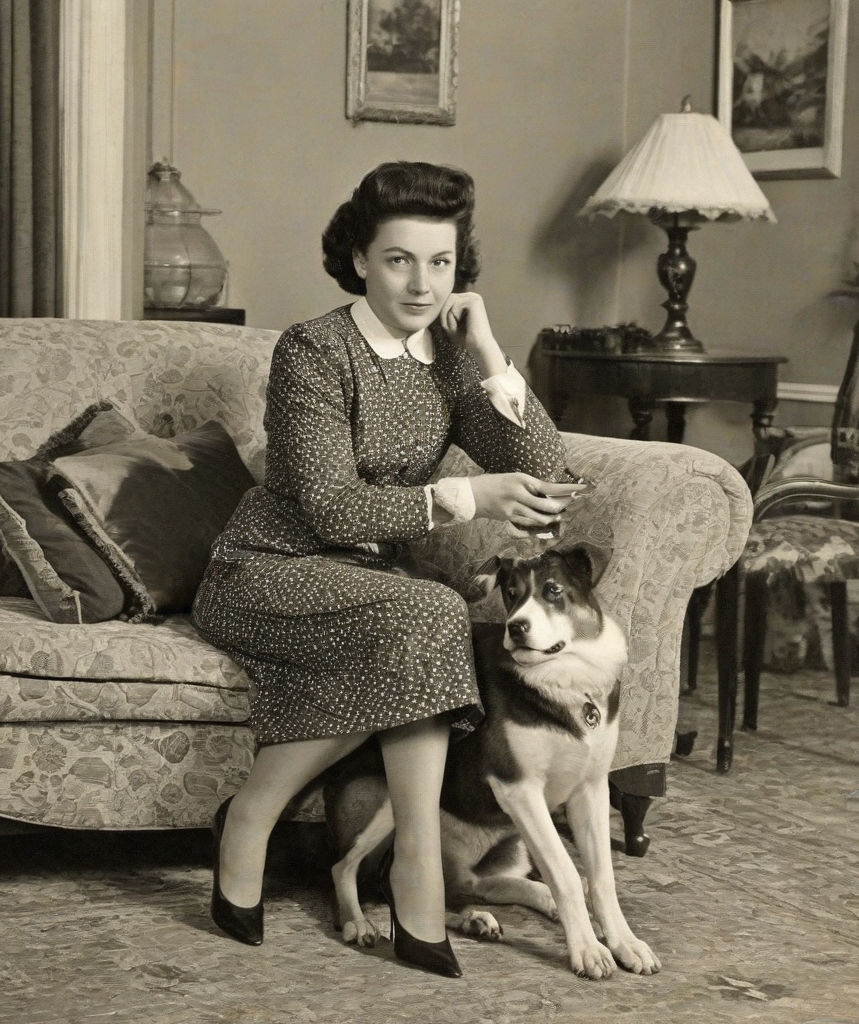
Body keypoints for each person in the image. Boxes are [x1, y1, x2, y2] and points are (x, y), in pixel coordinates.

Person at [191, 160, 580, 977]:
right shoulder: (312, 351)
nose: (421, 283)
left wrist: (486, 346)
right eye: (400, 259)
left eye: (440, 263)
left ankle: (259, 822)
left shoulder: (447, 354)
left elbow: (547, 468)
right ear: (361, 258)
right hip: (267, 568)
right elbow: (332, 509)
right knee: (431, 612)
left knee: (417, 617)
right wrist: (466, 496)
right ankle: (414, 868)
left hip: (368, 586)